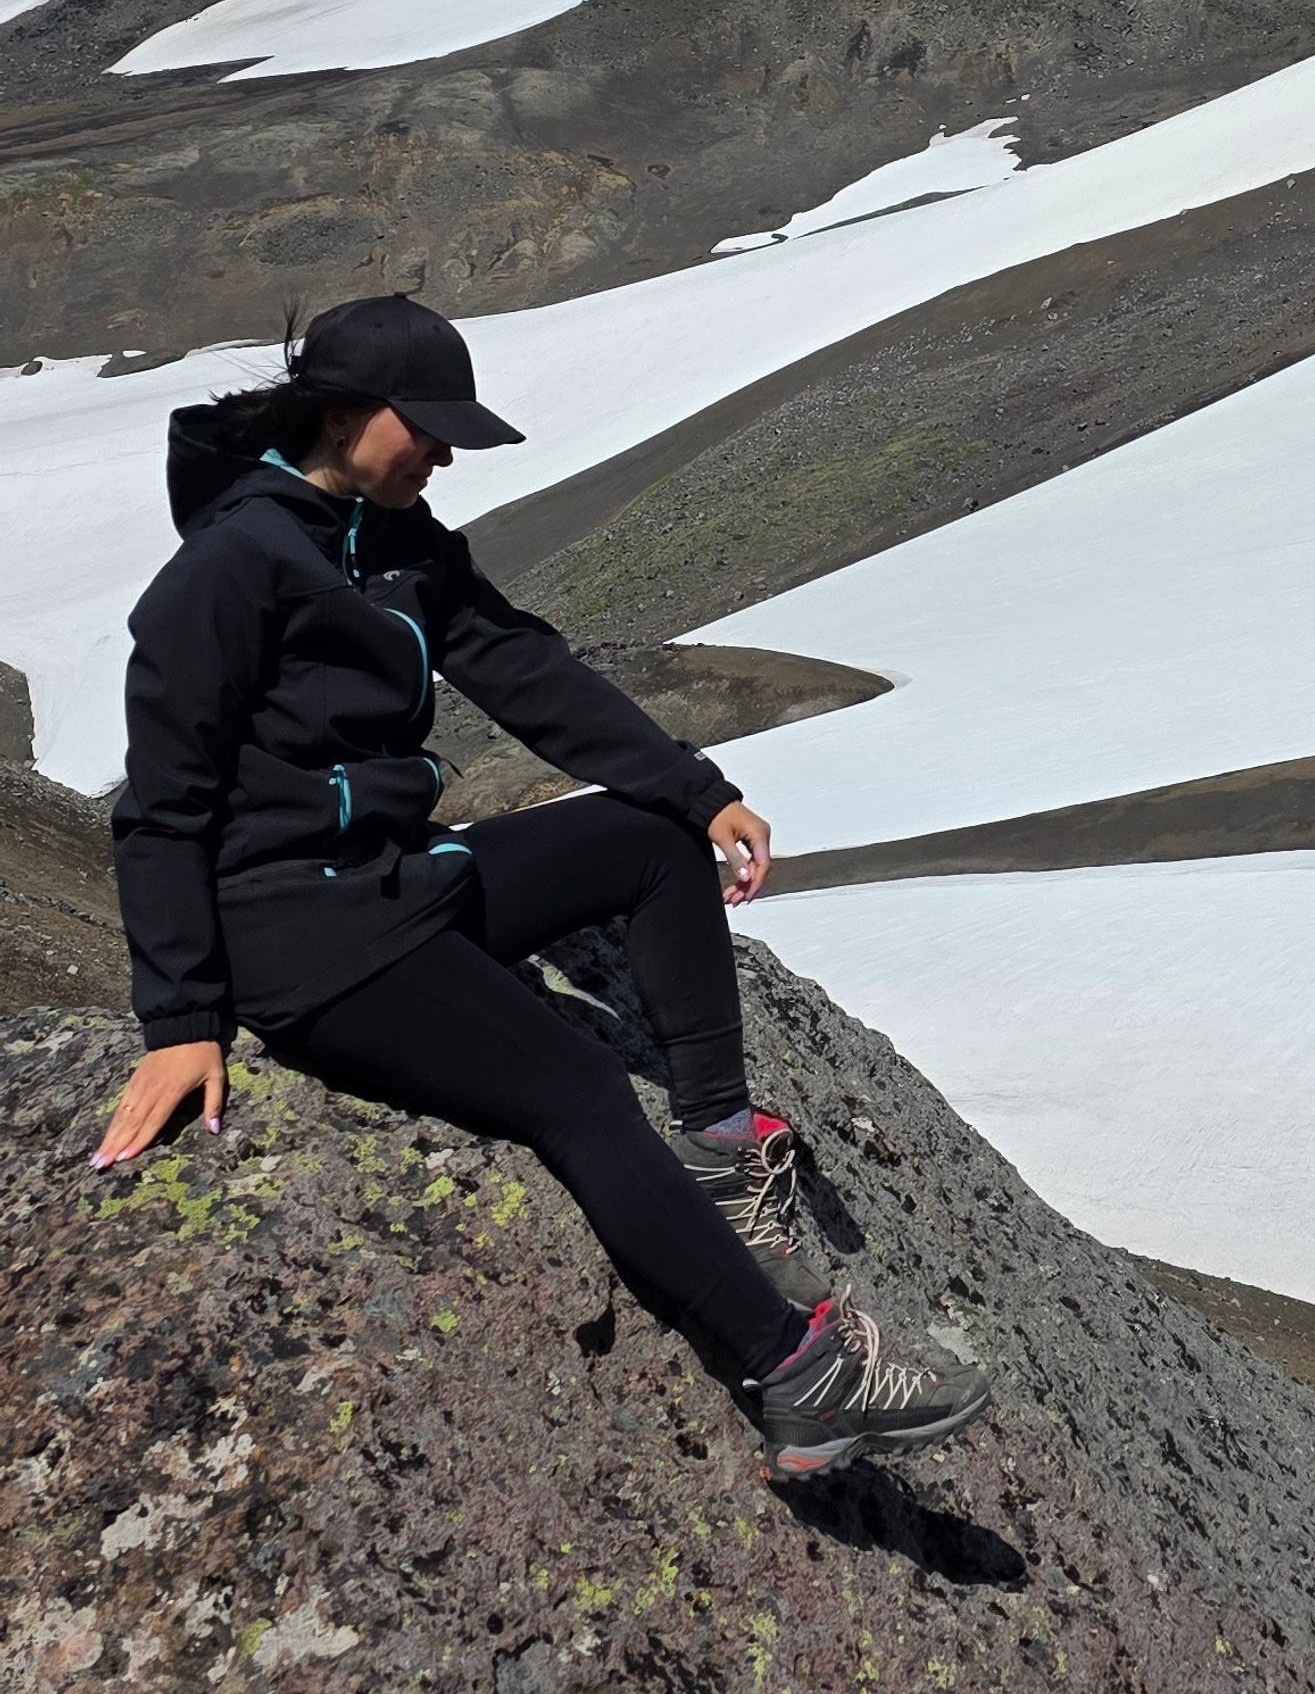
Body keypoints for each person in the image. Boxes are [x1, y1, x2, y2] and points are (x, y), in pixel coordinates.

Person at [92, 290, 989, 1484]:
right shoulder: (230, 567)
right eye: (429, 426)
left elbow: (519, 665)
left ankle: (719, 1147)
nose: (447, 452)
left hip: (398, 883)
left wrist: (694, 786)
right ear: (351, 414)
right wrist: (182, 1020)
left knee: (648, 840)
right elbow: (160, 806)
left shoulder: (397, 537)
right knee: (574, 1088)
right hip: (306, 939)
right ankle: (799, 1376)